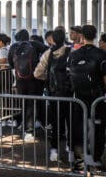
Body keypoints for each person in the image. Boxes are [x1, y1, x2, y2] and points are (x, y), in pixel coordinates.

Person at [67, 25, 106, 172]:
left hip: (78, 97)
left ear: (82, 35)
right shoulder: (101, 54)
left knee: (78, 129)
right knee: (99, 128)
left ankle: (79, 163)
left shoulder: (74, 54)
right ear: (95, 36)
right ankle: (96, 160)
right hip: (98, 98)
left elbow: (68, 75)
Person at [34, 29, 73, 162]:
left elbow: (37, 74)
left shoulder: (48, 54)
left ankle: (54, 151)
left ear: (53, 39)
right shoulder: (71, 52)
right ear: (65, 38)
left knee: (56, 123)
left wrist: (48, 80)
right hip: (70, 94)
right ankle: (70, 148)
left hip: (54, 94)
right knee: (71, 121)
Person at [7, 29, 48, 141]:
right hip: (35, 79)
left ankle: (25, 125)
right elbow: (48, 52)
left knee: (24, 102)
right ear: (28, 36)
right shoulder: (34, 44)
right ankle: (29, 130)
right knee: (32, 103)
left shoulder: (13, 47)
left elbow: (10, 63)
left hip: (20, 80)